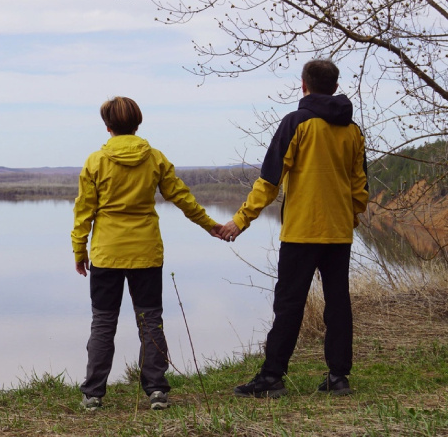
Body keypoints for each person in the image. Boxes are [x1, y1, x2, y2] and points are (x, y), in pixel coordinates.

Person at [219, 59, 369, 398]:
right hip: (338, 234)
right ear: (334, 86)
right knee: (338, 304)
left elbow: (270, 180)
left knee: (288, 305)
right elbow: (359, 189)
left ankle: (271, 379)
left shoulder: (296, 123)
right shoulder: (353, 130)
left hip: (301, 234)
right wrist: (349, 218)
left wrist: (240, 221)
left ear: (304, 86)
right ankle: (339, 378)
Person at [71, 96, 223, 411]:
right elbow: (181, 196)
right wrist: (209, 225)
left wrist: (79, 250)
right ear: (138, 124)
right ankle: (156, 390)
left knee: (103, 323)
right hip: (146, 253)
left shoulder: (95, 161)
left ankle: (94, 394)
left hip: (107, 254)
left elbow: (83, 211)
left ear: (107, 126)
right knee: (151, 322)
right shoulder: (154, 158)